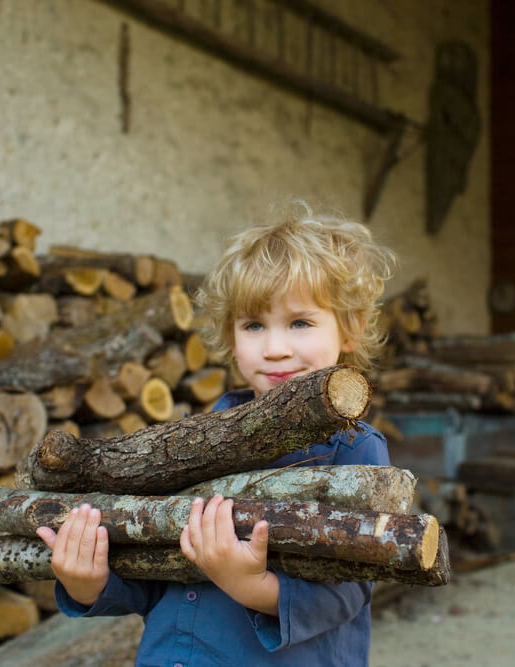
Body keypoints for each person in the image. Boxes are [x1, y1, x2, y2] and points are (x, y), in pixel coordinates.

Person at [36, 202, 397, 666]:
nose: (275, 349)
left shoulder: (355, 448)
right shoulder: (196, 442)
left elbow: (349, 589)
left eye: (300, 323)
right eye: (253, 325)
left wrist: (253, 586)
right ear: (231, 336)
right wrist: (91, 582)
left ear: (351, 329)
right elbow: (155, 569)